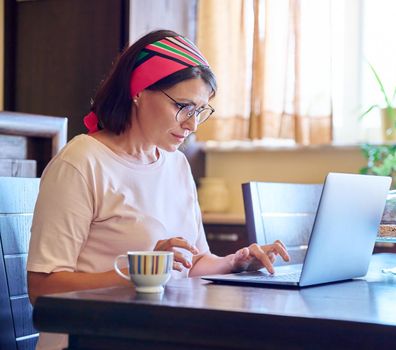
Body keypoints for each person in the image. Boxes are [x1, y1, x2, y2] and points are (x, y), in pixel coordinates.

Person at [27, 29, 289, 350]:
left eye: (200, 111)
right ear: (138, 91)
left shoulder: (176, 164)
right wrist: (143, 270)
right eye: (183, 106)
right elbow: (41, 287)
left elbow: (192, 263)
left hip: (155, 333)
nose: (192, 124)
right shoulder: (82, 161)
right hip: (90, 338)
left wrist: (235, 263)